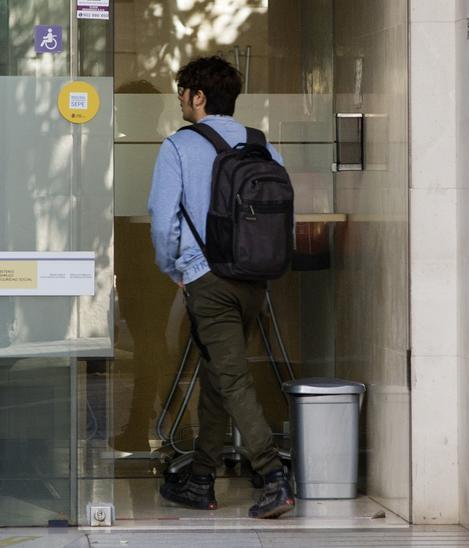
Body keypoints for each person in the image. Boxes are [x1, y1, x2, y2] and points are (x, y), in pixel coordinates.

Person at [146, 56, 295, 519]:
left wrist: (173, 266)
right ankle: (202, 477)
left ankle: (272, 476)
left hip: (207, 278)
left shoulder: (178, 146)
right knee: (217, 372)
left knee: (230, 376)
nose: (180, 100)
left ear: (199, 97)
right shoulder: (262, 146)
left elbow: (161, 217)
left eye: (183, 93)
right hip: (254, 277)